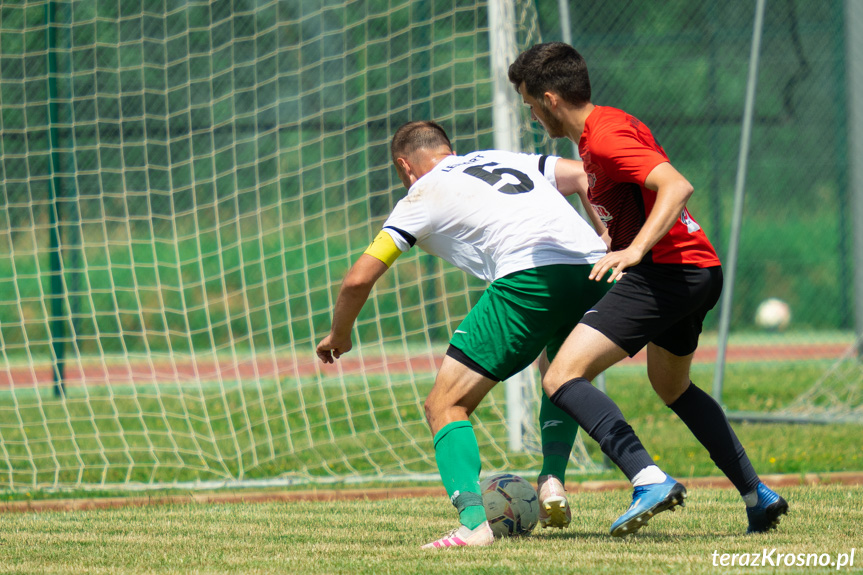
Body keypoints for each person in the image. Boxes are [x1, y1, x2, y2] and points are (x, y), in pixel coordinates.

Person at [508, 42, 788, 536]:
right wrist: (612, 239)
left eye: (530, 103)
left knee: (560, 376)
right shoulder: (608, 126)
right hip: (696, 269)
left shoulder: (606, 136)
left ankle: (648, 479)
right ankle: (757, 495)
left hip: (666, 273)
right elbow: (638, 197)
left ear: (551, 98)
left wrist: (634, 250)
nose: (531, 114)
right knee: (672, 386)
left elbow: (676, 186)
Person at [316, 121, 610, 548]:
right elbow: (586, 173)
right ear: (449, 150)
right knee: (560, 372)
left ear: (405, 165)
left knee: (444, 403)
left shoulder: (421, 193)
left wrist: (338, 335)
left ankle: (474, 524)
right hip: (594, 270)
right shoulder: (505, 159)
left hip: (530, 279)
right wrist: (607, 234)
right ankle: (552, 479)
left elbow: (358, 280)